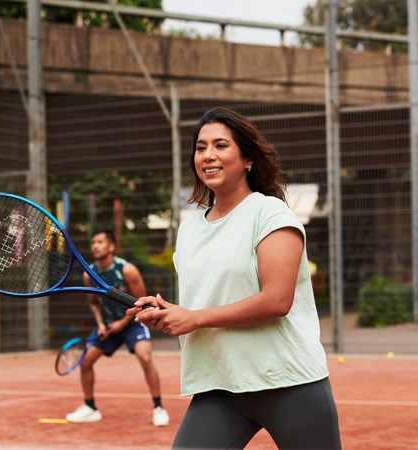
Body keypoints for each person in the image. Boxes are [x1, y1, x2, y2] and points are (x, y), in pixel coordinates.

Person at [129, 107, 342, 449]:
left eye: (221, 145)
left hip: (287, 382)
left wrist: (194, 318)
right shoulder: (190, 229)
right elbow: (211, 299)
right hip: (220, 386)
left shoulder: (269, 213)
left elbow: (276, 300)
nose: (208, 155)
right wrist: (169, 311)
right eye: (201, 147)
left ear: (247, 159)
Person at [65, 230, 170, 427]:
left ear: (112, 246)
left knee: (145, 357)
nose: (95, 245)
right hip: (108, 326)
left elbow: (141, 303)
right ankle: (90, 408)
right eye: (93, 242)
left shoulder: (127, 270)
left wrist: (121, 323)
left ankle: (158, 408)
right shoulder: (89, 275)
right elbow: (94, 303)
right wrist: (101, 324)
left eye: (100, 242)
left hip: (133, 323)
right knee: (85, 362)